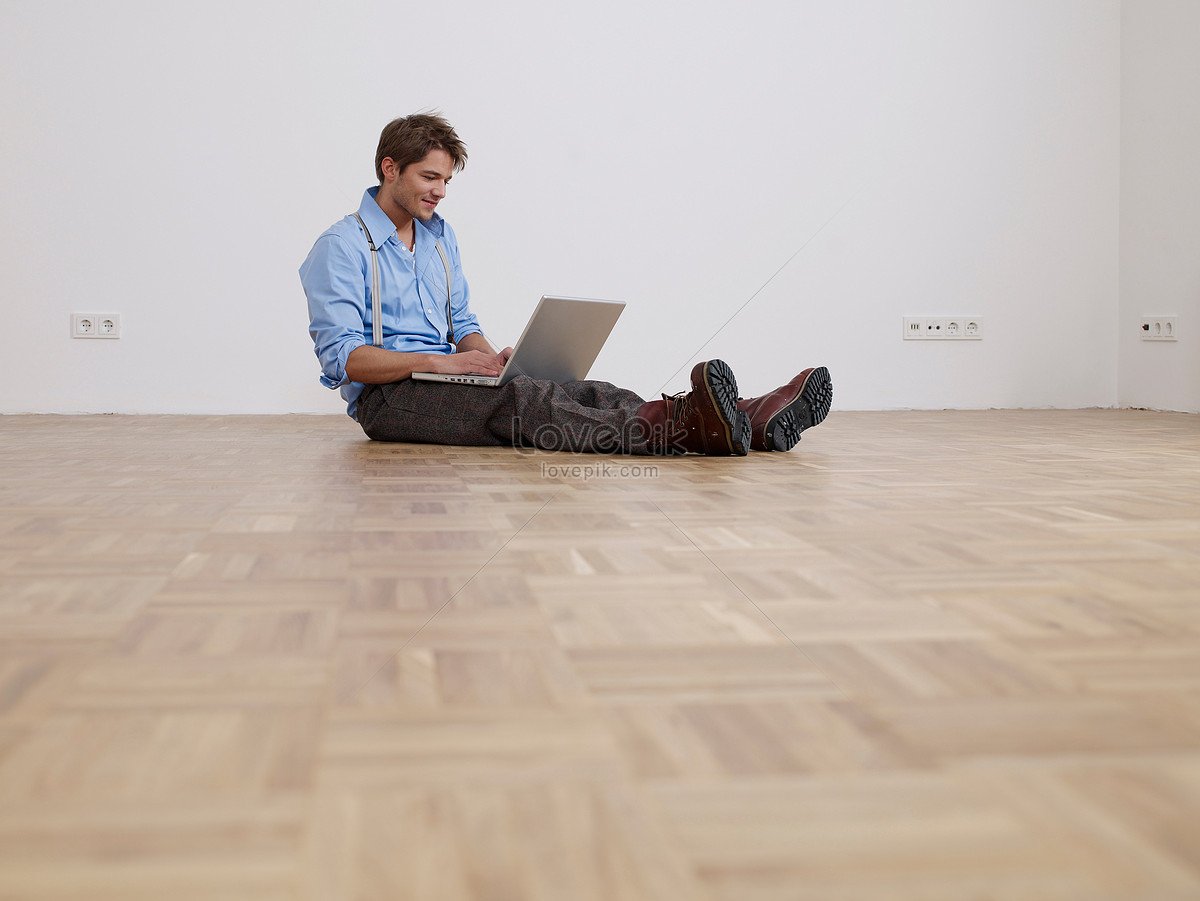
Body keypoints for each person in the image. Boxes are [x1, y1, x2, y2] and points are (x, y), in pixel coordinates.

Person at [300, 113, 832, 457]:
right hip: (387, 402)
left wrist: (492, 361)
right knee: (527, 402)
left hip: (446, 379)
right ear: (390, 168)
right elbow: (342, 359)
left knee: (586, 390)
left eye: (446, 181)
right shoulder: (342, 247)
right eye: (429, 178)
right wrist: (442, 364)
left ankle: (747, 418)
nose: (441, 192)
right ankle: (688, 428)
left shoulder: (439, 239)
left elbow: (462, 325)